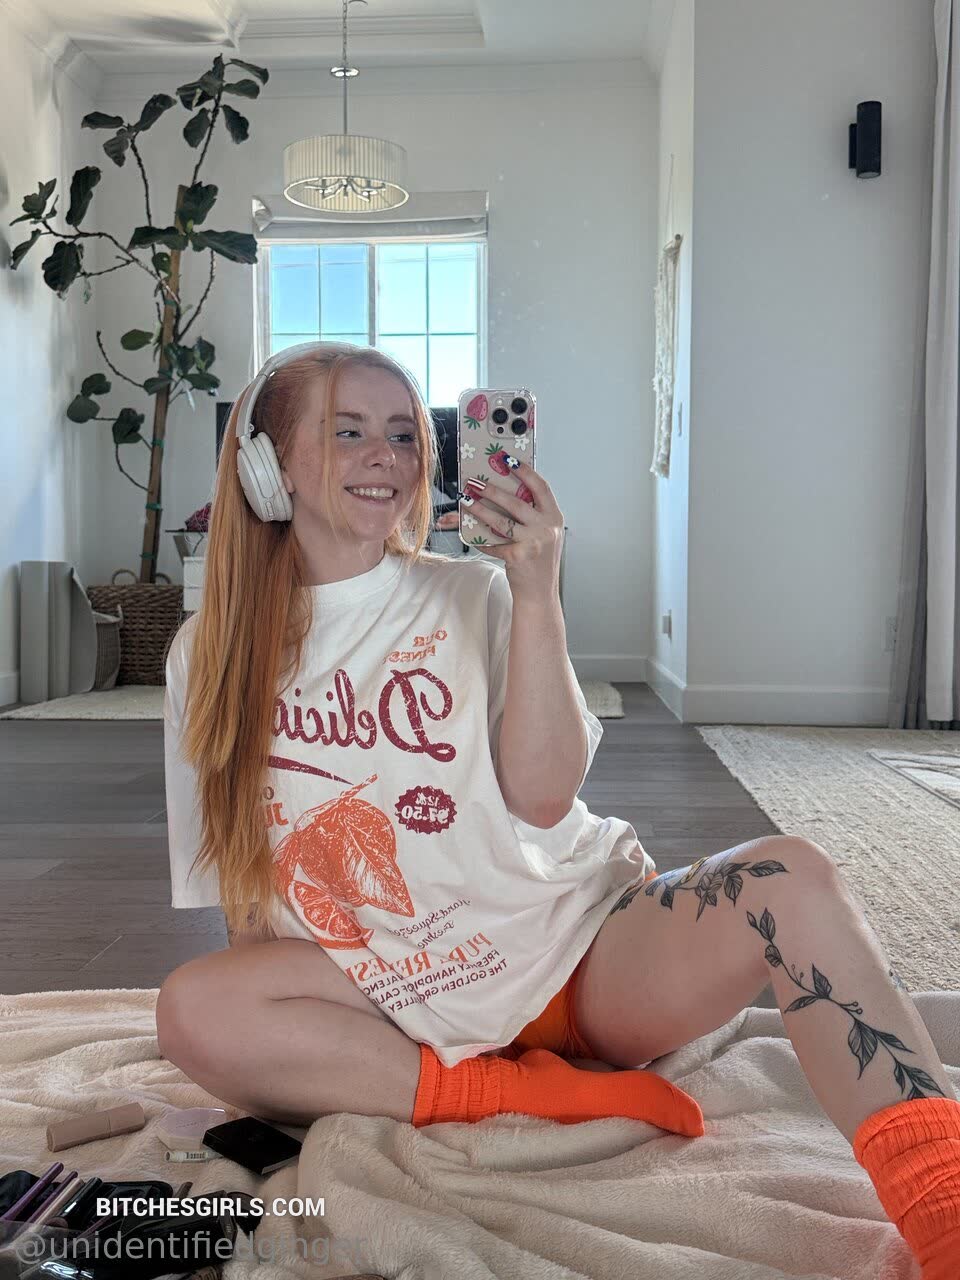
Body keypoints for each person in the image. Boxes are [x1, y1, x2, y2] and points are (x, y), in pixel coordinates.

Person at [156, 342, 960, 1278]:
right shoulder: (205, 655)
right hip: (387, 995)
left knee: (794, 878)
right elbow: (247, 894)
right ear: (269, 467)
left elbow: (544, 798)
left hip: (576, 960)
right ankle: (519, 1092)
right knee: (193, 1009)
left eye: (406, 435)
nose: (387, 456)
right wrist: (278, 1044)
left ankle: (946, 1216)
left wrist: (537, 588)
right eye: (348, 431)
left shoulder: (476, 593)